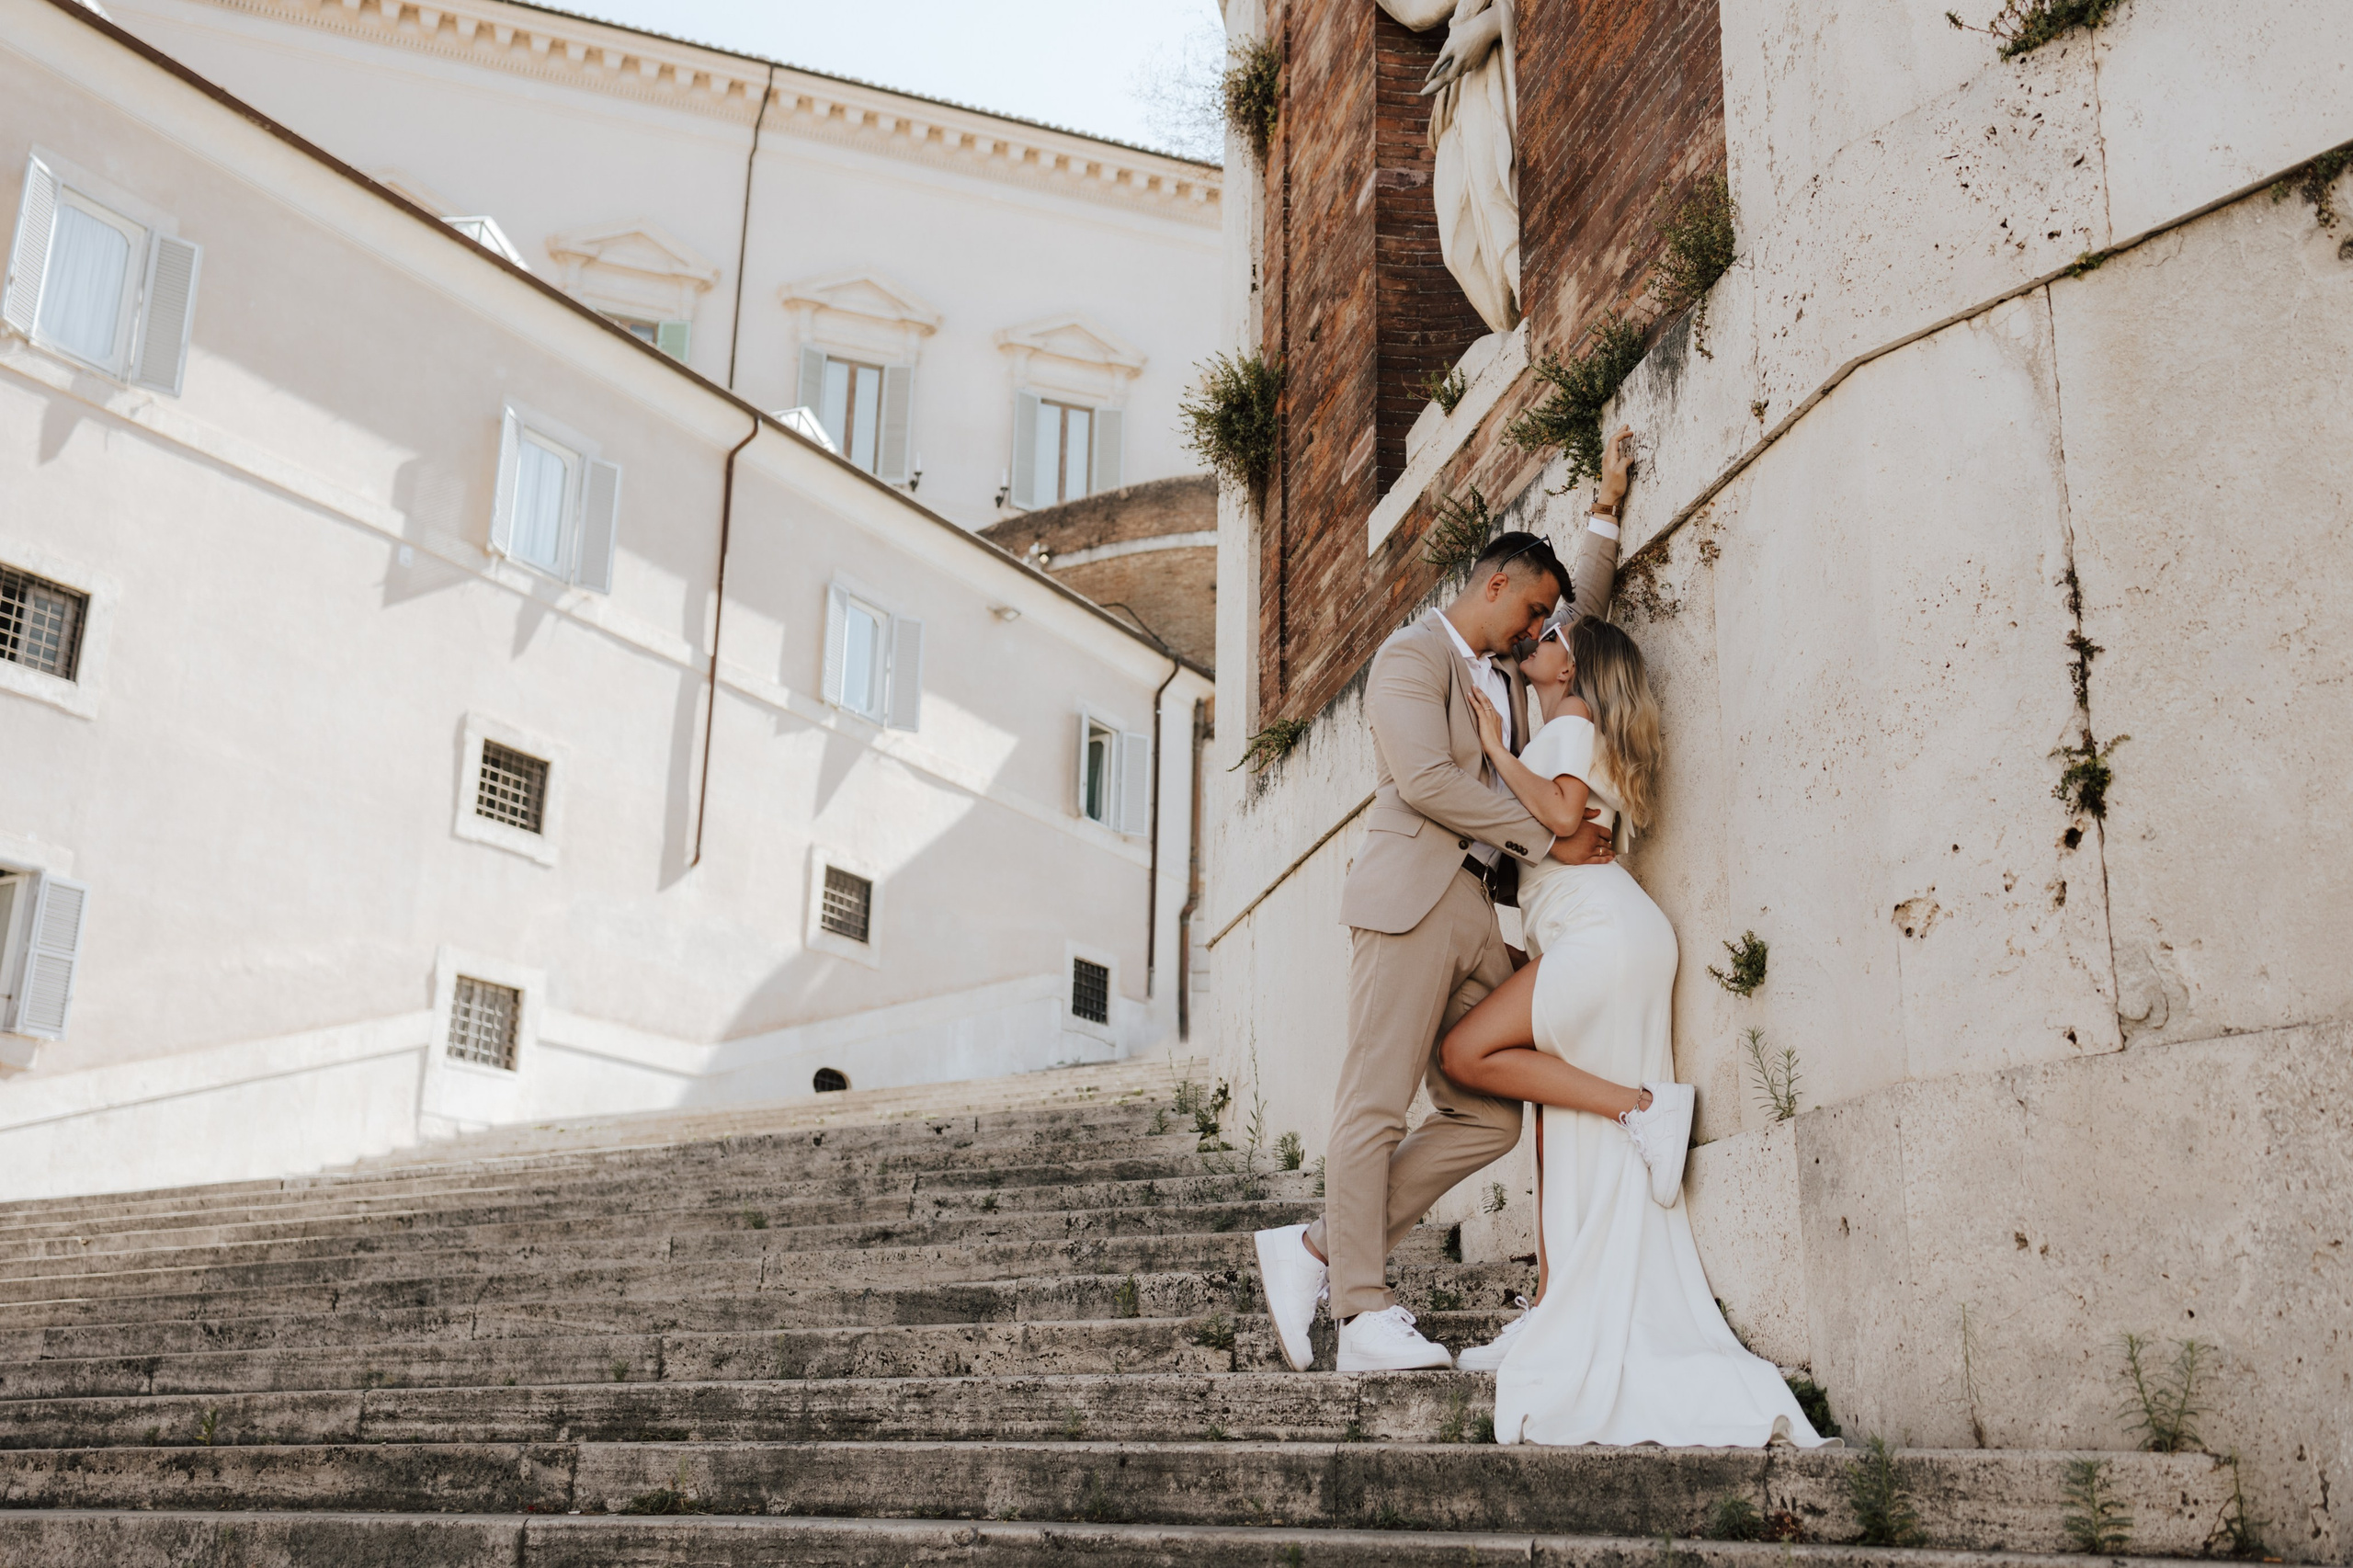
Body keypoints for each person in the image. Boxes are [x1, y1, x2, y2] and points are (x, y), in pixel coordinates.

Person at [1252, 429, 1635, 1375]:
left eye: (1546, 621)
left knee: (1487, 1112)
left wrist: (1606, 508)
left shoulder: (1509, 672)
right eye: (1531, 612)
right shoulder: (1408, 658)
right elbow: (1423, 779)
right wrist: (1548, 835)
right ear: (1494, 585)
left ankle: (1312, 1248)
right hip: (1411, 898)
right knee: (1373, 1104)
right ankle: (1362, 1312)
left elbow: (1576, 608)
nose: (1539, 632)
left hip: (1478, 910)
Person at [1438, 612, 1827, 1448]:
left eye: (1549, 634)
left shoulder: (1571, 719)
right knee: (1557, 1123)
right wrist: (1604, 511)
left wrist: (1492, 747)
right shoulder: (1569, 723)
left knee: (1468, 1052)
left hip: (1603, 936)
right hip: (1614, 935)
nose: (1535, 638)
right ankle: (1550, 1307)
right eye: (1533, 630)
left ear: (1570, 663)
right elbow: (1555, 830)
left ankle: (1642, 1105)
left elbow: (1559, 808)